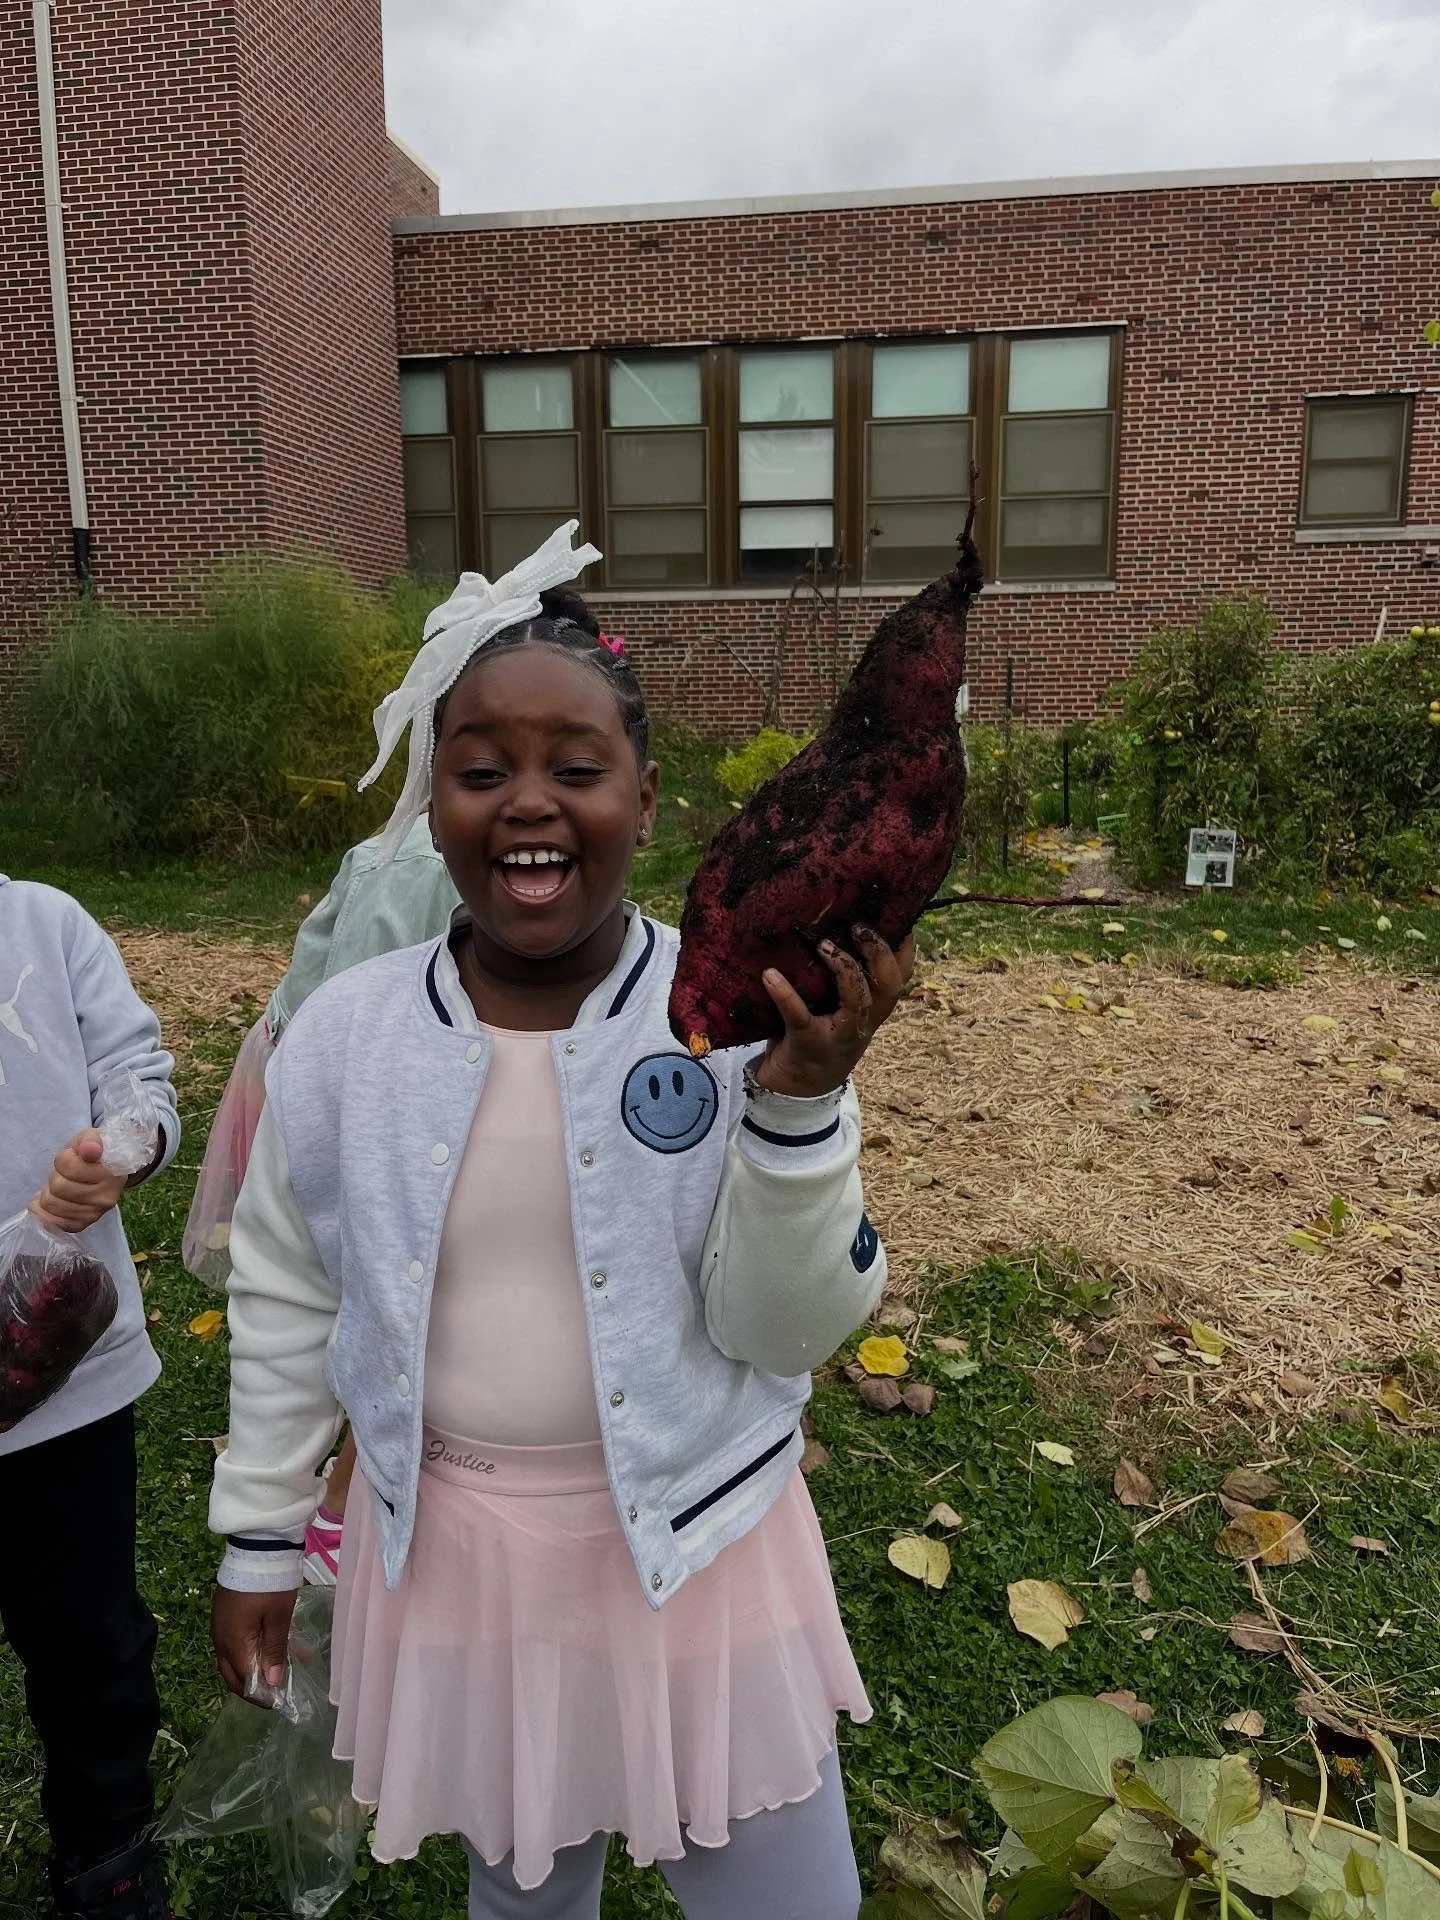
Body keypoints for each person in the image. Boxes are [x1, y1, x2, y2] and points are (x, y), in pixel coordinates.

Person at [208, 522, 908, 1919]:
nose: (527, 802)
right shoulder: (346, 1038)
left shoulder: (735, 1016)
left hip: (703, 1540)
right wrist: (260, 1534)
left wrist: (796, 1106)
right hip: (461, 1562)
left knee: (789, 1901)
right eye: (481, 771)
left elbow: (791, 1328)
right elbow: (289, 1291)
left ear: (645, 804)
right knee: (525, 1889)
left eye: (576, 770)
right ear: (433, 806)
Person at [182, 807, 459, 1578]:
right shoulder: (412, 866)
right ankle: (335, 1510)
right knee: (375, 1307)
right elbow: (350, 1031)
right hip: (337, 1108)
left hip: (381, 1099)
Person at [0, 874, 181, 1920]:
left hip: (63, 1372)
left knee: (89, 1637)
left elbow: (136, 1077)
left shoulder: (44, 923)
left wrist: (121, 1149)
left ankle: (104, 1850)